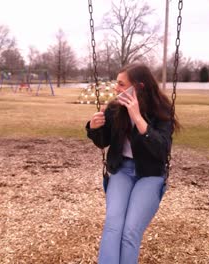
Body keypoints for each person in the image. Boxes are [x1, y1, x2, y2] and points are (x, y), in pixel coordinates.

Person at [85, 63, 180, 264]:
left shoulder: (161, 111)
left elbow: (161, 150)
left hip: (150, 175)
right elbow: (103, 141)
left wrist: (137, 117)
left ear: (139, 87)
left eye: (121, 84)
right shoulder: (115, 108)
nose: (116, 89)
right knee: (113, 226)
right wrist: (94, 128)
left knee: (130, 232)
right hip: (122, 170)